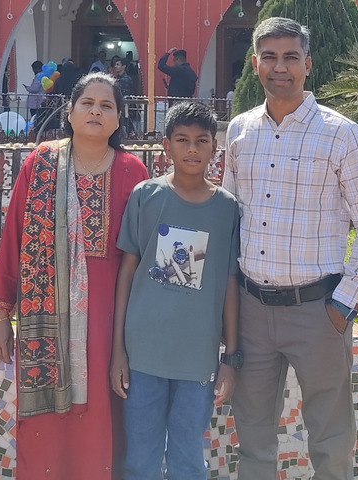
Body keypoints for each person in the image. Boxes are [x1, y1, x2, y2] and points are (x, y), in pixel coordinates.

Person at [223, 17, 358, 480]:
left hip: (318, 310)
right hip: (252, 311)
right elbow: (229, 217)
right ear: (255, 63)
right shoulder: (239, 131)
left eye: (290, 57)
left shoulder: (340, 133)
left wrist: (343, 302)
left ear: (307, 64)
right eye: (270, 57)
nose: (280, 67)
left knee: (330, 438)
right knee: (252, 436)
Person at [0, 72, 148, 480]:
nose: (96, 111)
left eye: (106, 105)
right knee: (46, 428)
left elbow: (144, 258)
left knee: (102, 419)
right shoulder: (40, 164)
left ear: (118, 119)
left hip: (109, 325)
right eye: (87, 103)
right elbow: (13, 239)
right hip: (45, 319)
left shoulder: (133, 173)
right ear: (70, 112)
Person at [110, 101, 242, 479]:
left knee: (188, 460)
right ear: (166, 145)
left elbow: (229, 281)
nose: (192, 148)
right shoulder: (145, 196)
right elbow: (127, 272)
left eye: (202, 140)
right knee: (140, 460)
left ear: (214, 147)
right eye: (182, 140)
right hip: (143, 355)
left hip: (197, 358)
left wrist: (230, 358)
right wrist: (118, 350)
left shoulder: (226, 208)